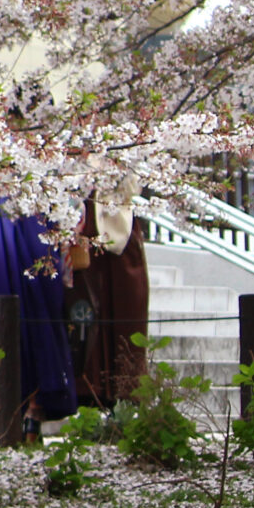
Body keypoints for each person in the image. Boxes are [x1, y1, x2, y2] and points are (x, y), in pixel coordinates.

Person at [0, 188, 77, 429]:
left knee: (13, 301)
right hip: (32, 209)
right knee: (35, 306)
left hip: (7, 212)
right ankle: (29, 407)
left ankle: (12, 404)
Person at [64, 167, 149, 407]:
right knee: (85, 308)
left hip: (118, 222)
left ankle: (125, 388)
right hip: (85, 225)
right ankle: (88, 386)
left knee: (125, 305)